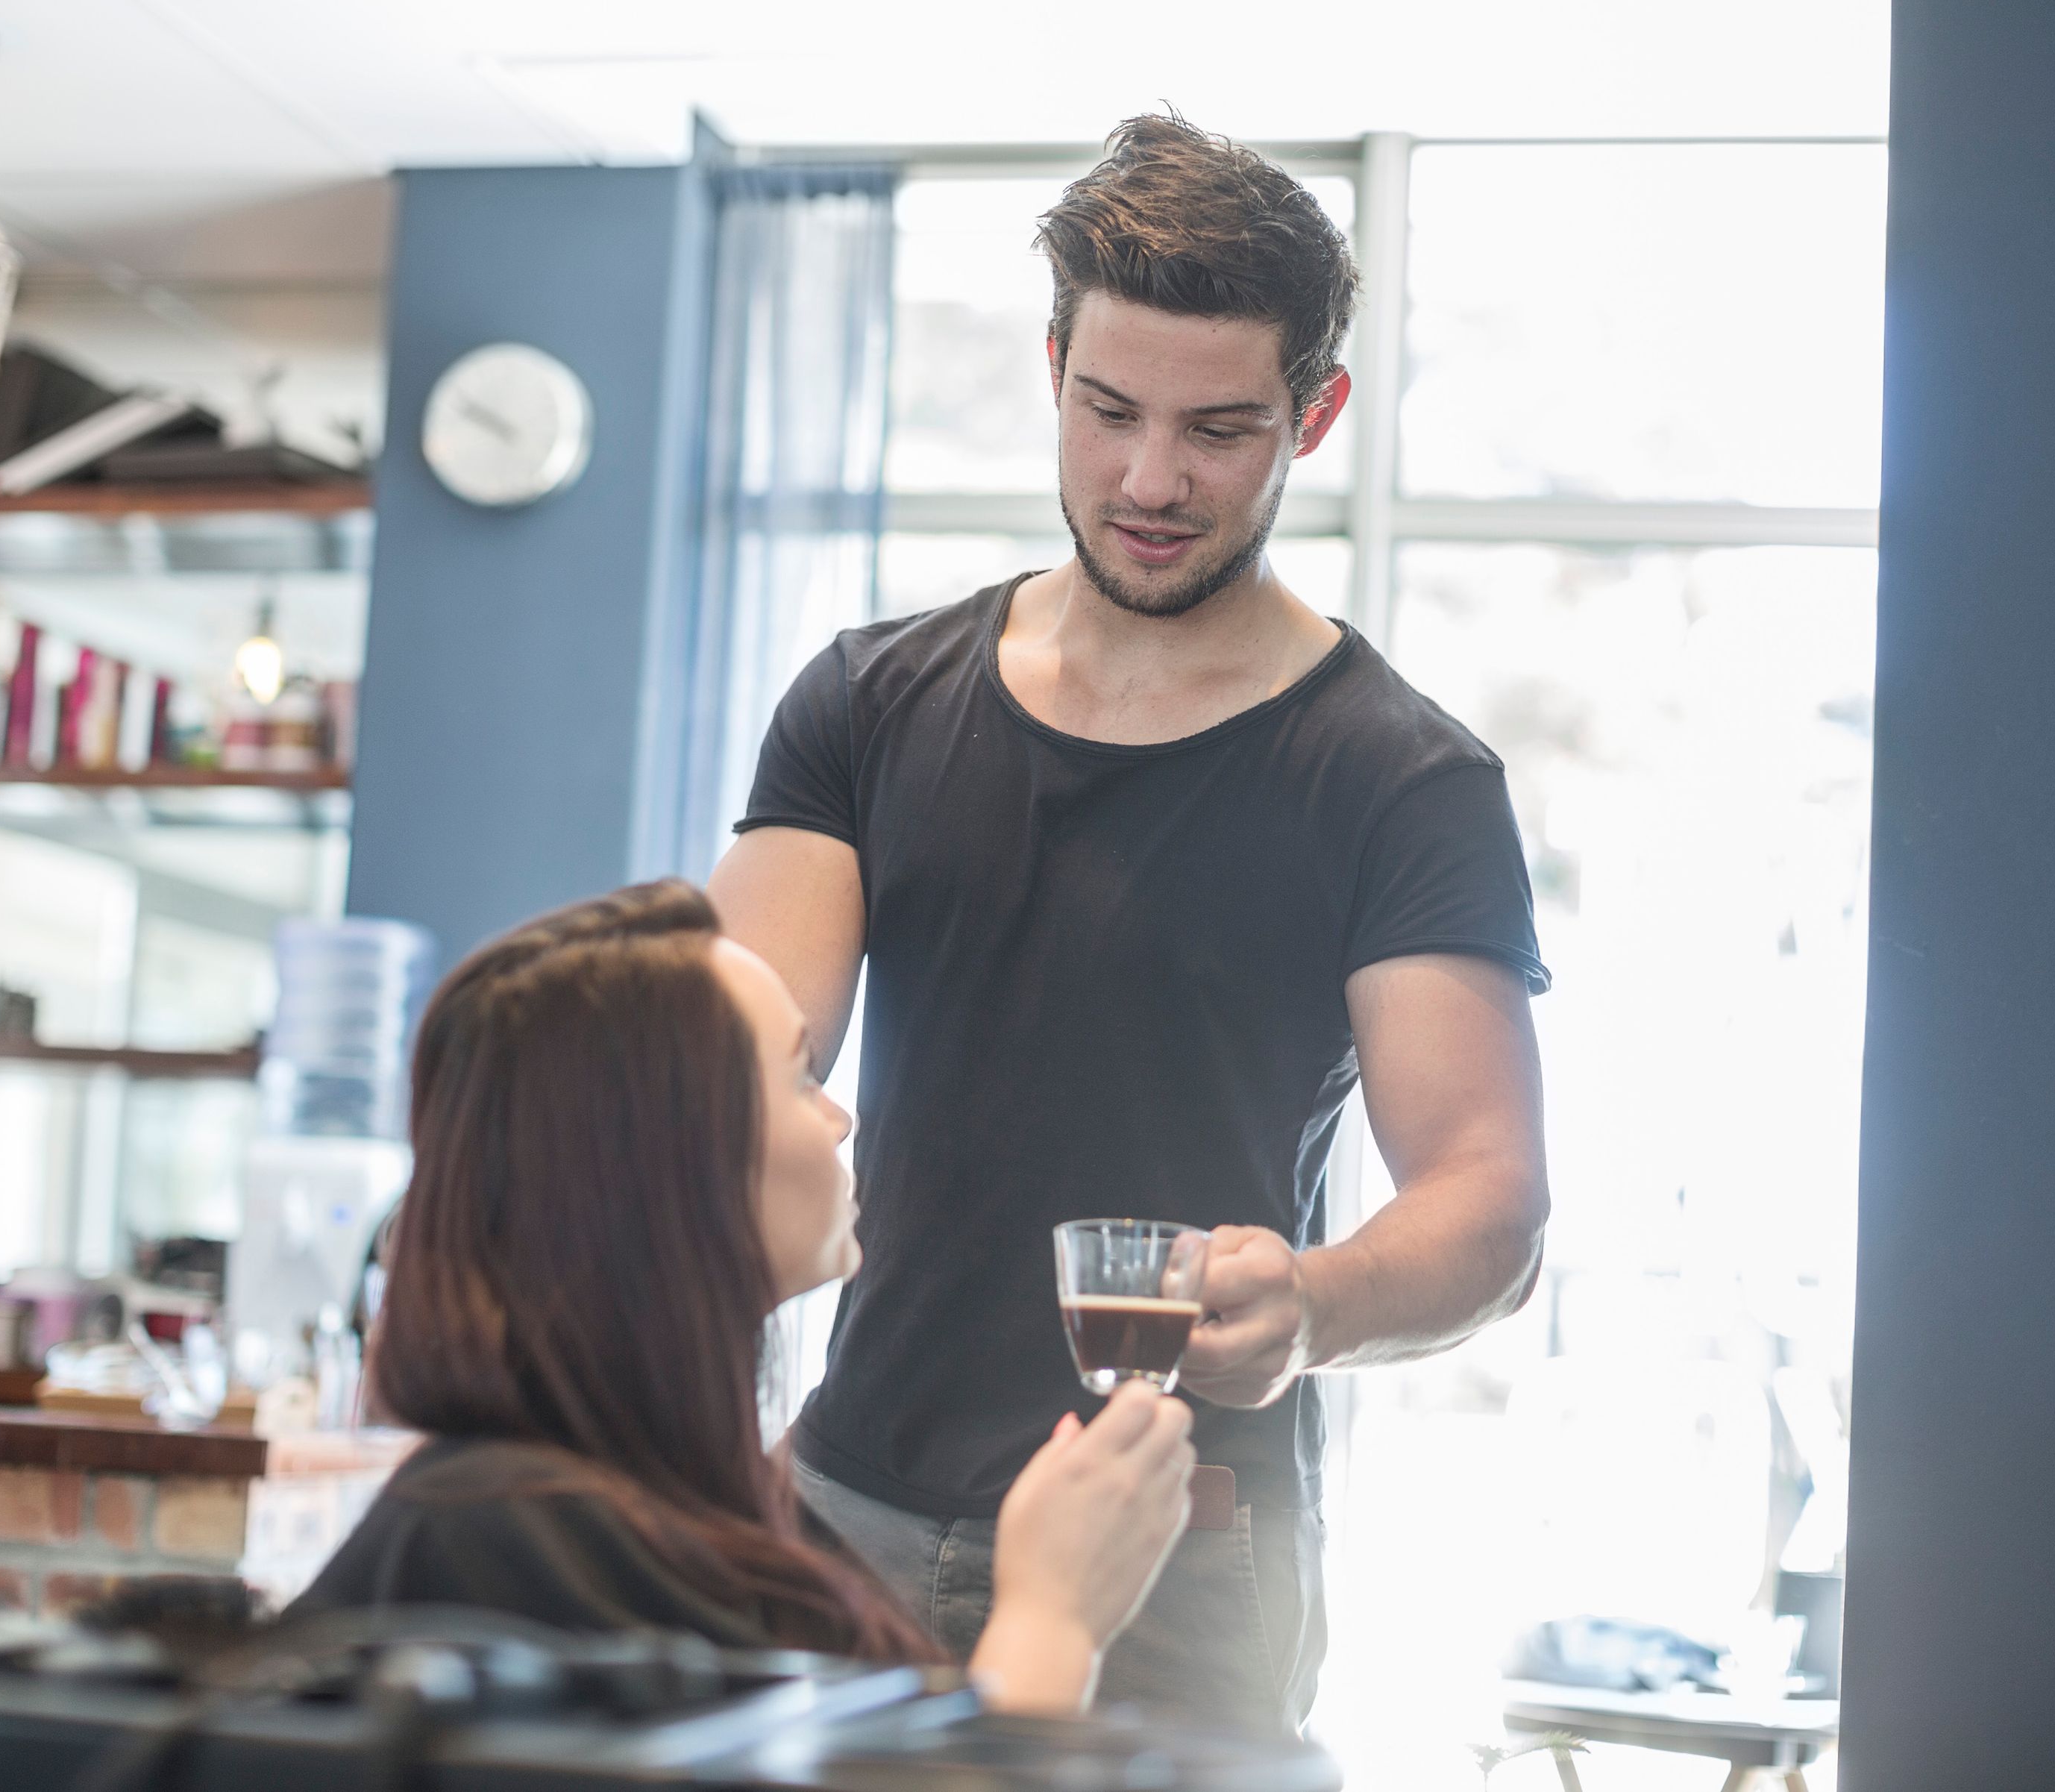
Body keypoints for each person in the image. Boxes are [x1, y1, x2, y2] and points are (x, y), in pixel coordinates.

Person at [709, 114, 1553, 1734]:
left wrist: (1309, 1304)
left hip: (1186, 1551)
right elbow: (728, 1062)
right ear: (1050, 369)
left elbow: (1487, 1204)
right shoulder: (867, 707)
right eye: (1108, 412)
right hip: (844, 1515)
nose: (1149, 480)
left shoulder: (1403, 781)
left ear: (1316, 412)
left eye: (1219, 428)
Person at [298, 880, 1196, 1716]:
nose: (838, 1117)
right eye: (801, 1076)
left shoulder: (681, 1506)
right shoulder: (509, 1541)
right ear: (674, 1162)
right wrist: (1050, 1621)